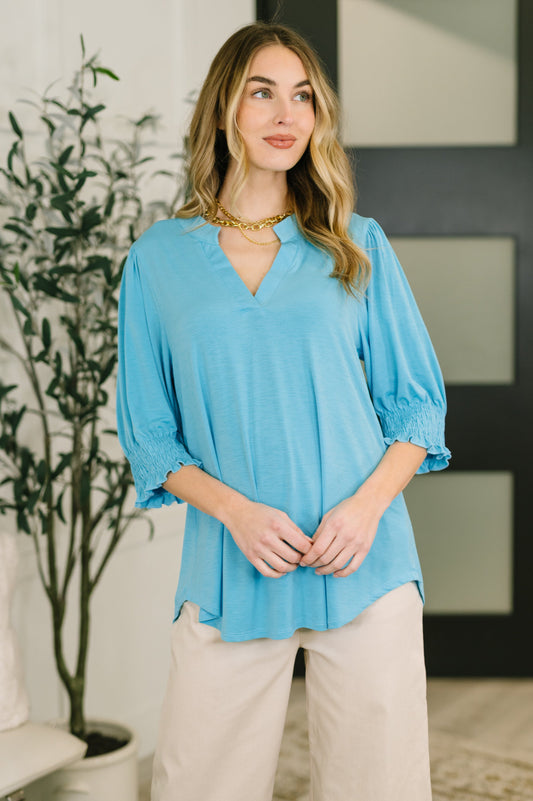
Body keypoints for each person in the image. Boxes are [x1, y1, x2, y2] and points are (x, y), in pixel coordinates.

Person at [116, 20, 450, 801]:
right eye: (262, 91)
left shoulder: (354, 244)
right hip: (232, 566)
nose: (285, 113)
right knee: (199, 786)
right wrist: (237, 512)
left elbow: (415, 409)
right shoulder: (159, 259)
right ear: (224, 109)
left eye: (301, 96)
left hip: (363, 562)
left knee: (380, 788)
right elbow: (150, 434)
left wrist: (365, 511)